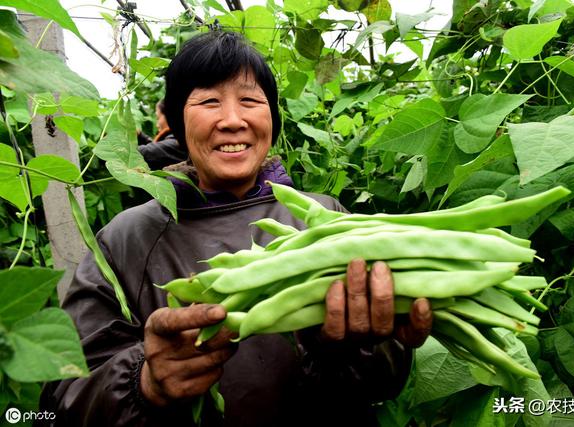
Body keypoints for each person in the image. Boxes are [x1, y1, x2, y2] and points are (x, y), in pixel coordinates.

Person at [39, 31, 432, 427]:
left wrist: (357, 347)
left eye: (250, 101)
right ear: (178, 123)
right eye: (209, 101)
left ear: (272, 119)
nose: (232, 120)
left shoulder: (327, 217)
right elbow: (62, 399)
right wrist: (143, 381)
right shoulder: (125, 240)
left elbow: (386, 383)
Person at [137, 98, 188, 170]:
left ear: (170, 116)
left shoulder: (179, 141)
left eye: (158, 118)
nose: (157, 125)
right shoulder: (179, 138)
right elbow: (159, 148)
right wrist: (140, 135)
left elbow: (149, 153)